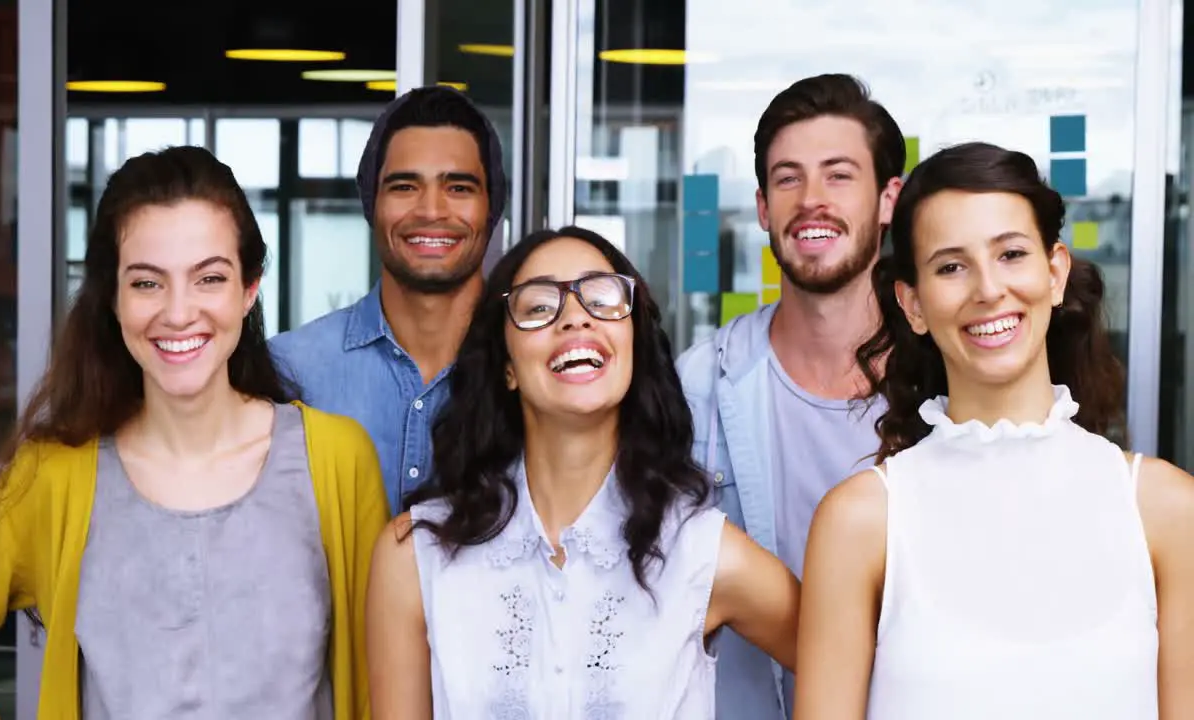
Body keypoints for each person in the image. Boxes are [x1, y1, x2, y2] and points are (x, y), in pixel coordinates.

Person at [0, 146, 389, 720]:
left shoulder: (336, 459)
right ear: (113, 299)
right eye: (147, 283)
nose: (179, 312)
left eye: (209, 277)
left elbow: (379, 679)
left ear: (249, 289)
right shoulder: (54, 473)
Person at [794, 141, 1194, 719]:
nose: (987, 289)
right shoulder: (860, 522)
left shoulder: (1166, 509)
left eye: (1010, 254)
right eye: (951, 266)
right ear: (913, 304)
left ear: (1055, 273)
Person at [364, 226, 801, 718]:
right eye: (538, 307)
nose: (575, 319)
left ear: (632, 342)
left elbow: (863, 667)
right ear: (506, 365)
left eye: (601, 298)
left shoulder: (701, 549)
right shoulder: (414, 555)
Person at [675, 73, 905, 718]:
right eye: (788, 178)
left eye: (838, 175)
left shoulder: (951, 391)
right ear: (761, 208)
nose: (811, 200)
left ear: (889, 199)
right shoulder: (694, 388)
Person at [271, 85, 507, 513]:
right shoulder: (288, 372)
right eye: (404, 186)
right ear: (371, 204)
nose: (431, 211)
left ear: (491, 208)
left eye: (458, 188)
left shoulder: (531, 366)